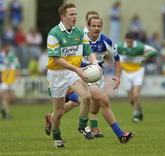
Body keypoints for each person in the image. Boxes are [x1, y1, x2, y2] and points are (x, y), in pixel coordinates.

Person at [45, 16, 135, 144]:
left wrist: (118, 75)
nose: (96, 28)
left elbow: (116, 58)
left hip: (95, 76)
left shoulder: (105, 41)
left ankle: (52, 117)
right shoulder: (79, 36)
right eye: (93, 26)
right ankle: (120, 134)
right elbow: (65, 56)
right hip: (79, 76)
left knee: (86, 104)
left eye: (99, 26)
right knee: (103, 100)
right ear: (88, 26)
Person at [46, 3, 101, 148]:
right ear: (63, 17)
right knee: (58, 112)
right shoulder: (54, 33)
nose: (75, 17)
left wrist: (95, 65)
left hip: (72, 72)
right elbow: (57, 59)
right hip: (56, 74)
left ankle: (82, 126)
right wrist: (77, 70)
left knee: (86, 96)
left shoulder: (79, 32)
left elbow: (88, 51)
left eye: (76, 14)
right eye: (71, 14)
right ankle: (56, 136)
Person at [114, 32, 158, 123]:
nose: (129, 44)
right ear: (125, 40)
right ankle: (139, 110)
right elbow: (110, 51)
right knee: (131, 99)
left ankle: (135, 115)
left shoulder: (140, 47)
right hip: (125, 73)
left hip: (138, 71)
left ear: (134, 40)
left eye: (131, 42)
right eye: (128, 42)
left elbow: (154, 51)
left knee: (136, 95)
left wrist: (145, 56)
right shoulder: (120, 46)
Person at [0, 41, 20, 119]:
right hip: (3, 78)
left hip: (12, 78)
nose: (8, 48)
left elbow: (17, 65)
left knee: (11, 98)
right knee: (5, 96)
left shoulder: (13, 56)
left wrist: (18, 74)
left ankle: (3, 109)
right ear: (4, 48)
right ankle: (8, 113)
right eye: (7, 47)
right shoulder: (1, 56)